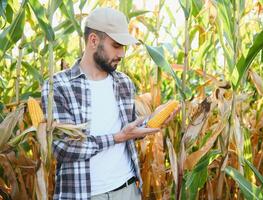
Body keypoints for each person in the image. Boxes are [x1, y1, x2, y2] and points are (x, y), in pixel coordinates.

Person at [41, 7, 179, 200]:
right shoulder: (58, 86)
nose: (122, 53)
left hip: (128, 190)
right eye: (116, 45)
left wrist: (153, 122)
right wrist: (118, 137)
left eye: (123, 47)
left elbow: (130, 131)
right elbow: (64, 147)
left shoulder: (123, 82)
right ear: (93, 41)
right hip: (84, 194)